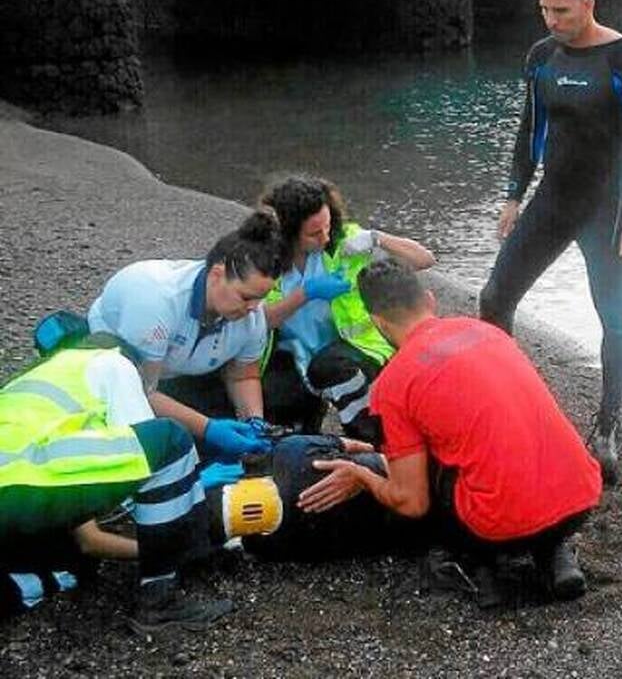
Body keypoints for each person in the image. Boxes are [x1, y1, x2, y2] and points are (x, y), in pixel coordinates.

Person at [297, 259, 602, 606]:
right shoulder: (488, 332)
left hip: (496, 526)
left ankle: (481, 563)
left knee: (427, 471)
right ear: (429, 300)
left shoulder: (394, 382)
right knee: (507, 433)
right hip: (580, 501)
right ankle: (553, 551)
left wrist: (361, 475)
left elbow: (411, 502)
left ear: (377, 322)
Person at [478, 0, 622, 486]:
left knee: (613, 316)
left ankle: (606, 427)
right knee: (494, 299)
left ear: (588, 4)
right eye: (544, 10)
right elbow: (530, 129)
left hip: (608, 209)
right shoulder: (542, 56)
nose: (552, 20)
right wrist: (513, 196)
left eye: (561, 11)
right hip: (553, 201)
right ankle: (507, 406)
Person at [0, 331, 230, 629]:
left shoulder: (33, 382)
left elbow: (87, 529)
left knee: (69, 558)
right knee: (169, 440)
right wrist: (189, 490)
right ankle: (160, 601)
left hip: (17, 479)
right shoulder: (114, 362)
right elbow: (147, 457)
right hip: (20, 478)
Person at [87, 212, 285, 464]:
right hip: (115, 368)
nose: (254, 308)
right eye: (246, 297)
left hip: (177, 369)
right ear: (216, 275)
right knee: (160, 451)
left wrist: (254, 421)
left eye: (261, 298)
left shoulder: (251, 315)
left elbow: (243, 375)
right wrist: (208, 428)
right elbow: (143, 392)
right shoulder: (155, 301)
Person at [258, 174, 436, 442]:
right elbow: (261, 320)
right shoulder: (268, 259)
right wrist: (306, 293)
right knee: (281, 416)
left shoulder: (345, 242)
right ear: (288, 233)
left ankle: (373, 439)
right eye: (314, 233)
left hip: (355, 350)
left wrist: (377, 238)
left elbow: (424, 259)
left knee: (329, 369)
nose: (325, 237)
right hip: (296, 355)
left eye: (328, 226)